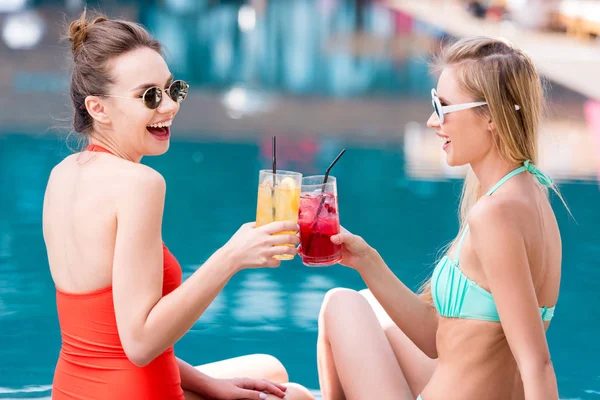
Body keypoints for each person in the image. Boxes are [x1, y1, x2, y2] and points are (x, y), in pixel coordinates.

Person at [43, 10, 314, 400]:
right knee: (298, 395)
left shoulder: (63, 175)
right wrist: (231, 257)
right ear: (98, 108)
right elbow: (140, 344)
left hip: (72, 389)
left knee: (267, 369)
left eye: (173, 89)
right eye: (148, 96)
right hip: (135, 391)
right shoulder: (140, 183)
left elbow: (110, 337)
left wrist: (213, 388)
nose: (169, 106)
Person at [316, 36, 562, 400]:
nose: (433, 121)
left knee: (339, 305)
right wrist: (367, 260)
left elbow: (536, 363)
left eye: (443, 106)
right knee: (361, 301)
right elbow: (439, 338)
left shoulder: (494, 216)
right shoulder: (529, 194)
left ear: (491, 116)